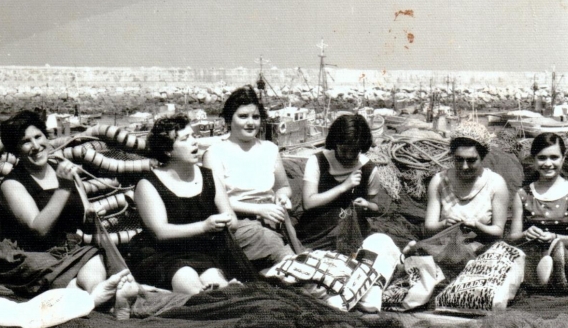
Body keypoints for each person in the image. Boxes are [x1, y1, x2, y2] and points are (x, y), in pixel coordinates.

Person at [0, 110, 137, 318]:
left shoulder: (62, 170)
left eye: (38, 137)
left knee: (93, 267)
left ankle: (102, 300)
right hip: (35, 258)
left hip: (73, 251)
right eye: (25, 142)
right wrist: (63, 188)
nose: (35, 146)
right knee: (72, 287)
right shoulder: (12, 185)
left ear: (46, 136)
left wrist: (90, 216)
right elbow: (38, 229)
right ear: (16, 150)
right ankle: (108, 305)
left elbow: (84, 222)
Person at [129, 114, 251, 295]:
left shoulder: (209, 177)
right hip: (162, 256)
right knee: (190, 286)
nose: (195, 142)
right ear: (167, 150)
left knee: (220, 286)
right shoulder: (148, 184)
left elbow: (233, 221)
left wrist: (225, 222)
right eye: (185, 139)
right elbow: (160, 232)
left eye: (193, 136)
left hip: (204, 253)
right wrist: (204, 226)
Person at [202, 86, 294, 265]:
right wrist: (258, 209)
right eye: (243, 116)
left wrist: (282, 198)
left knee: (288, 255)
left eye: (256, 117)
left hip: (273, 218)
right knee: (285, 257)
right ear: (229, 120)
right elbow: (217, 200)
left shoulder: (270, 149)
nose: (250, 122)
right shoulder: (215, 153)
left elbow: (283, 186)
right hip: (238, 223)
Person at [508, 133, 568, 290]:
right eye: (542, 158)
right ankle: (542, 276)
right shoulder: (523, 195)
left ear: (563, 158)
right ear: (533, 159)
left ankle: (556, 272)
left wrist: (555, 238)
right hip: (530, 252)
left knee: (563, 261)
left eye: (554, 157)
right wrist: (525, 235)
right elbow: (514, 236)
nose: (548, 163)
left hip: (565, 253)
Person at [298, 114, 381, 251]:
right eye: (343, 150)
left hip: (352, 234)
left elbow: (375, 207)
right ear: (335, 142)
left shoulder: (369, 169)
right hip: (316, 233)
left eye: (354, 151)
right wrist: (343, 187)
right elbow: (308, 203)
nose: (348, 156)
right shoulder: (317, 161)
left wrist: (366, 205)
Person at [425, 120, 510, 241]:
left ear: (482, 157)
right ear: (452, 156)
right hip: (445, 247)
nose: (464, 166)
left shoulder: (496, 183)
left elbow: (498, 231)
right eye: (459, 159)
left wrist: (477, 226)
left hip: (481, 248)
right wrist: (444, 224)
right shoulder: (439, 181)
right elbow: (429, 227)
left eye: (471, 160)